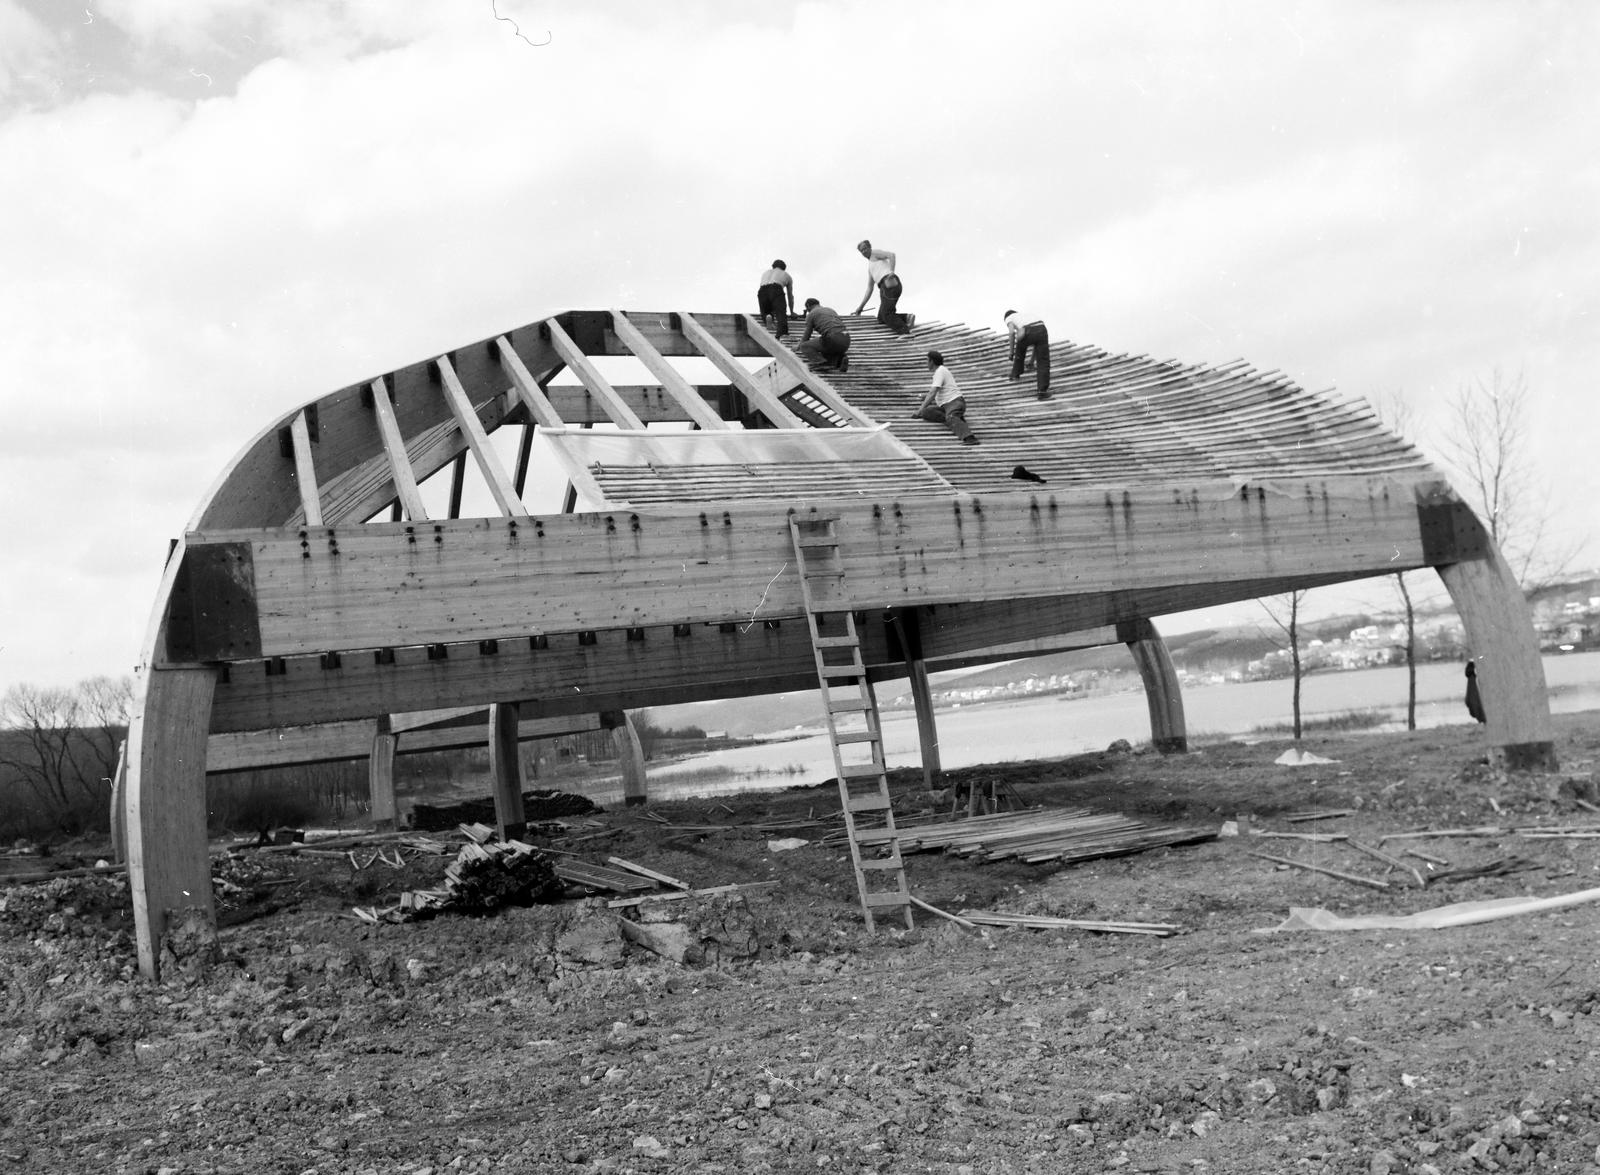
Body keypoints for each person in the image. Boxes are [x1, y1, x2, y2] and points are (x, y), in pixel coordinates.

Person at [913, 350, 978, 444]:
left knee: (950, 417)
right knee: (926, 412)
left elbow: (933, 392)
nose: (926, 363)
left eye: (927, 361)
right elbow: (936, 393)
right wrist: (924, 399)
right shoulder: (939, 372)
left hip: (954, 402)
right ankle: (957, 420)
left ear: (932, 361)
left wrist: (919, 410)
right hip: (945, 405)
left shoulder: (940, 371)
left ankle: (969, 438)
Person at [853, 239, 913, 335]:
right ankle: (906, 318)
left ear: (870, 247)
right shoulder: (870, 268)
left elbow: (891, 255)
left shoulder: (875, 253)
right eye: (862, 250)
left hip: (888, 283)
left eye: (865, 248)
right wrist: (860, 307)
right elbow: (869, 288)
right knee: (881, 318)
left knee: (887, 314)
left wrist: (892, 271)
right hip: (884, 288)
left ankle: (904, 332)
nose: (864, 251)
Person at [1004, 308, 1052, 399]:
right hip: (1041, 328)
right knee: (1043, 361)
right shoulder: (1025, 316)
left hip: (1027, 330)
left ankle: (1015, 374)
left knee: (1020, 345)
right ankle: (1042, 391)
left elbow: (1011, 333)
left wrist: (1011, 353)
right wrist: (1031, 362)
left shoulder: (1009, 317)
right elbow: (1036, 345)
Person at [797, 297, 851, 372]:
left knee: (805, 346)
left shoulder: (811, 314)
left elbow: (806, 336)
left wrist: (798, 346)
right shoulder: (830, 310)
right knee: (825, 349)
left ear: (808, 306)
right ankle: (840, 360)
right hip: (846, 339)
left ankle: (820, 363)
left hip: (833, 338)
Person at [756, 260, 795, 337]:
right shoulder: (786, 275)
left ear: (773, 266)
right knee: (780, 312)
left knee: (764, 310)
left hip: (762, 290)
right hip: (776, 289)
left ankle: (767, 316)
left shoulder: (765, 273)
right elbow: (790, 296)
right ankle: (782, 332)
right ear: (784, 268)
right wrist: (792, 312)